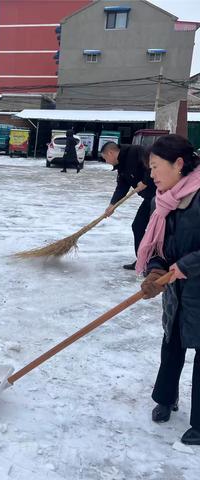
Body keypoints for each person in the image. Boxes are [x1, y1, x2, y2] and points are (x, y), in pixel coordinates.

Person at [138, 134, 200, 446]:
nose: (151, 174)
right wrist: (156, 270)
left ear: (178, 164)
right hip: (176, 290)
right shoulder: (160, 201)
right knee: (171, 344)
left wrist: (187, 265)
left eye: (154, 167)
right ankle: (166, 399)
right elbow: (161, 248)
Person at [101, 141, 156, 270]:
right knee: (137, 226)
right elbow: (122, 186)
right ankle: (142, 260)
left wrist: (145, 181)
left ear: (111, 153)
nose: (106, 162)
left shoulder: (136, 151)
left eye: (105, 158)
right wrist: (112, 205)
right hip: (149, 199)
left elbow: (152, 166)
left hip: (161, 196)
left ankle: (156, 263)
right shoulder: (121, 166)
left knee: (157, 229)